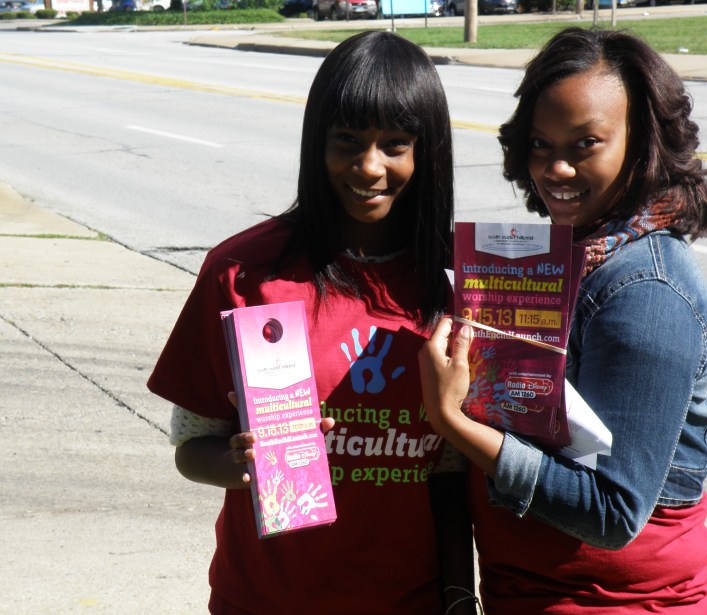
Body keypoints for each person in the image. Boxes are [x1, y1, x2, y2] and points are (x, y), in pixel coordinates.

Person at [148, 31, 476, 615]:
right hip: (267, 600)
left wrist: (457, 595)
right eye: (347, 140)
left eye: (395, 144)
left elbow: (451, 475)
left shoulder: (458, 284)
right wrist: (241, 464)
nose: (369, 167)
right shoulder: (244, 272)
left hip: (410, 600)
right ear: (315, 144)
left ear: (427, 152)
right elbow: (191, 446)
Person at [419, 27, 707, 613]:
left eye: (584, 143)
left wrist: (452, 420)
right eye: (540, 143)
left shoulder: (645, 290)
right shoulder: (575, 254)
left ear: (642, 144)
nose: (555, 169)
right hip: (532, 592)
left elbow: (613, 512)